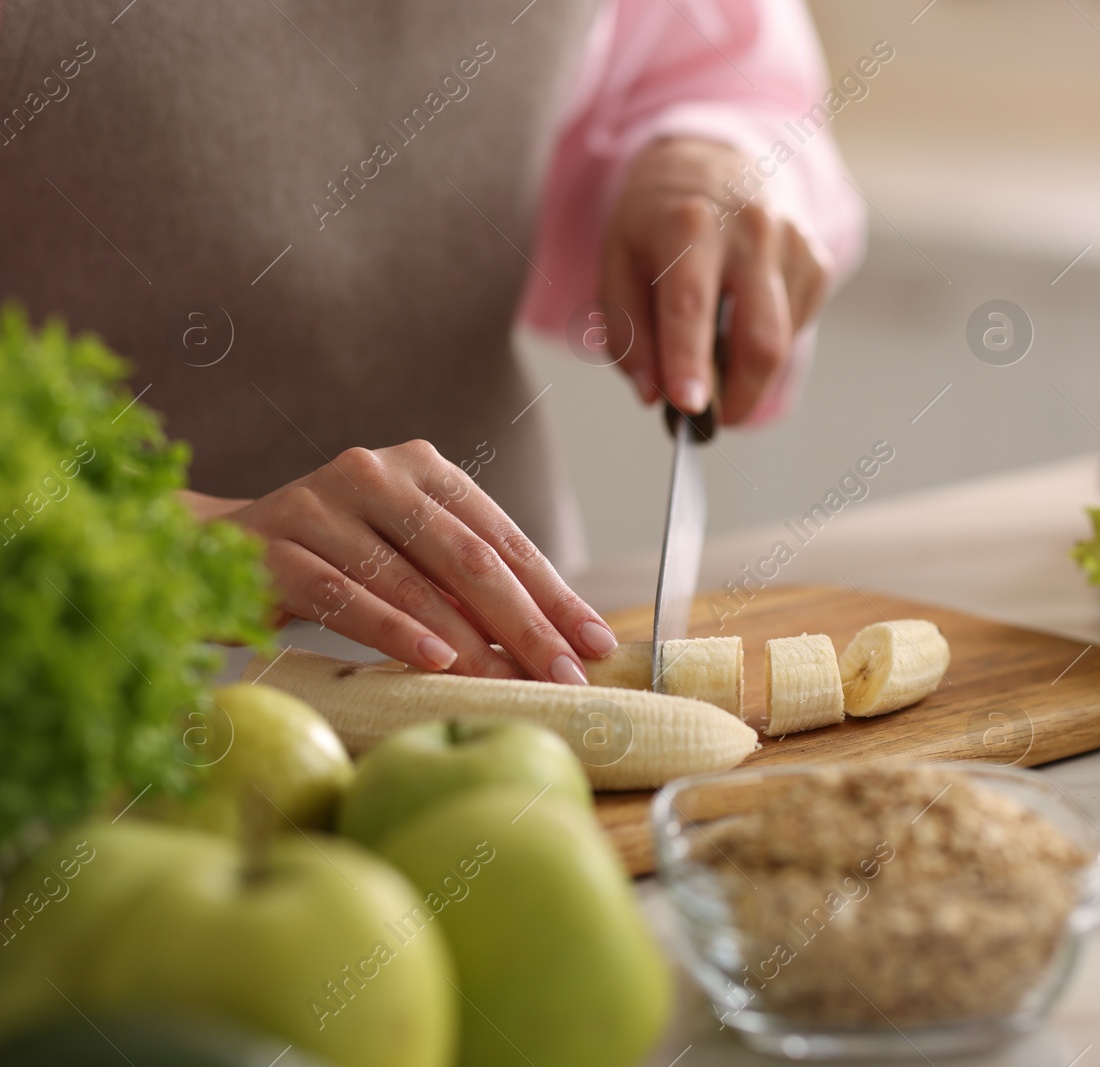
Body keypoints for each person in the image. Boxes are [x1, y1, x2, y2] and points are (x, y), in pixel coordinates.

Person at [0, 0, 863, 684]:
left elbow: (716, 63)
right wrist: (164, 534)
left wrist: (705, 156)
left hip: (518, 674)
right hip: (80, 701)